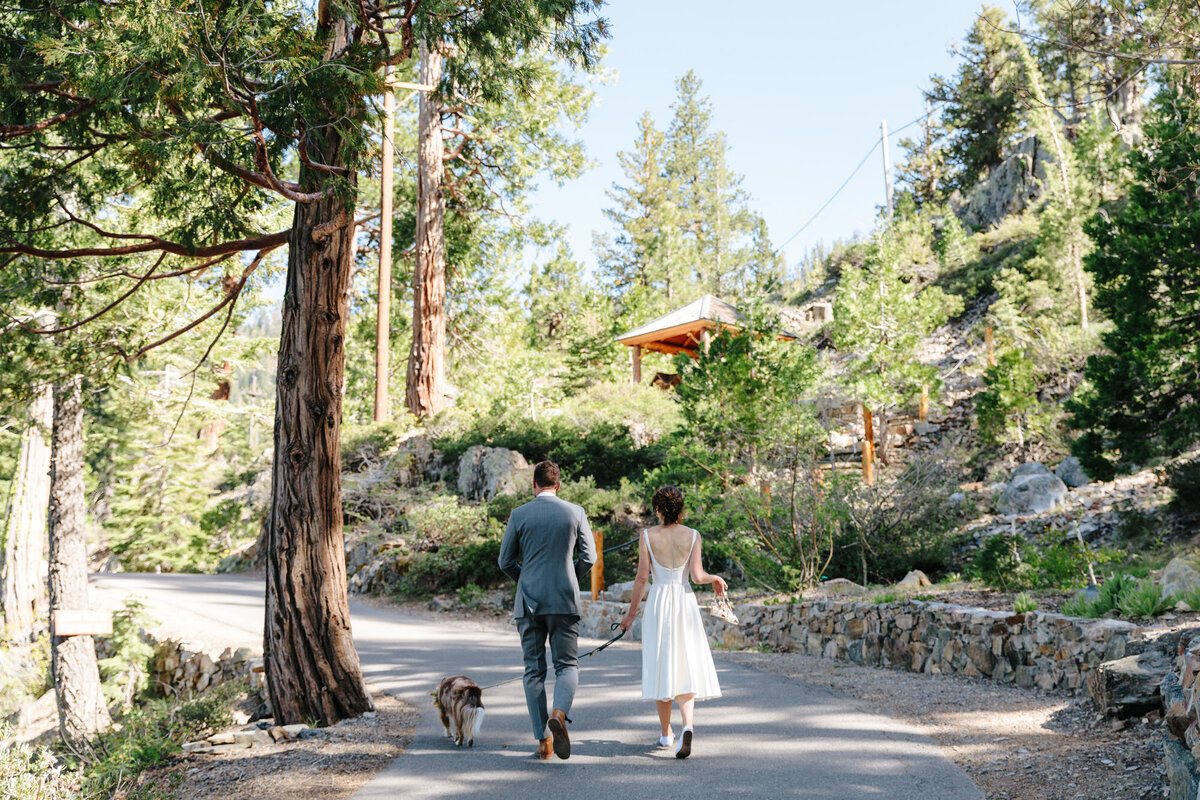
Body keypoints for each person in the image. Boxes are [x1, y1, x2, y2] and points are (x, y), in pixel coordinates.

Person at [498, 460, 597, 760]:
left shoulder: (519, 514)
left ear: (534, 484)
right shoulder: (575, 512)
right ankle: (559, 713)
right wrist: (569, 575)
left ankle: (543, 741)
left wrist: (526, 578)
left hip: (528, 602)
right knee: (567, 665)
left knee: (534, 671)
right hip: (564, 600)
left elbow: (505, 562)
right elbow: (589, 558)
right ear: (558, 485)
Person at [618, 485, 725, 760]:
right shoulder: (693, 535)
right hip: (684, 600)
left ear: (657, 509)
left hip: (659, 602)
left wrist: (630, 615)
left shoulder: (647, 536)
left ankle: (666, 733)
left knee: (661, 663)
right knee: (685, 662)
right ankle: (687, 726)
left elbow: (642, 579)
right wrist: (714, 578)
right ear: (680, 509)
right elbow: (698, 575)